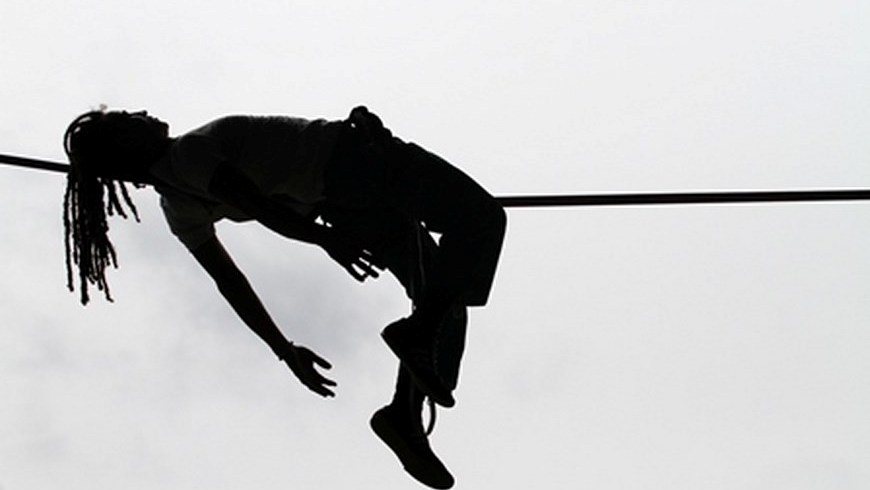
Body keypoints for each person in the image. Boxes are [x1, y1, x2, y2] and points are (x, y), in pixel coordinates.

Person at [62, 106, 506, 489]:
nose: (142, 113)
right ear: (126, 143)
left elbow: (230, 279)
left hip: (339, 203)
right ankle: (419, 337)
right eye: (129, 118)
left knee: (445, 296)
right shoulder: (189, 153)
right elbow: (258, 208)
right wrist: (323, 239)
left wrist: (284, 349)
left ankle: (404, 415)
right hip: (353, 165)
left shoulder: (179, 207)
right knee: (480, 217)